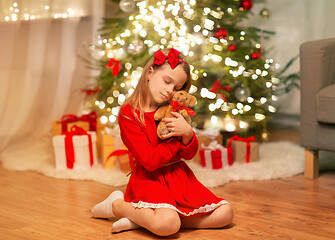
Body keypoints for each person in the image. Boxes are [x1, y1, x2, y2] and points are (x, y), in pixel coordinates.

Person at [91, 48, 234, 236]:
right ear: (150, 73)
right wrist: (176, 141)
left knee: (226, 213)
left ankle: (144, 219)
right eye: (167, 81)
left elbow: (188, 155)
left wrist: (187, 134)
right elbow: (150, 161)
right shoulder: (129, 114)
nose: (170, 91)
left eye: (177, 88)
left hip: (178, 177)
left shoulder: (172, 109)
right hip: (150, 180)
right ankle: (118, 206)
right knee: (169, 225)